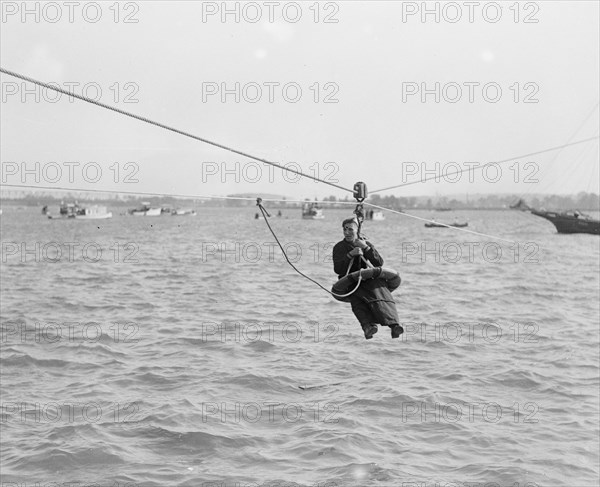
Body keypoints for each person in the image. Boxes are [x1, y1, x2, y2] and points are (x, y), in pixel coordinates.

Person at [332, 217, 403, 340]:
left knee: (380, 291)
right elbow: (338, 269)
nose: (347, 232)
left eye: (350, 229)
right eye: (344, 229)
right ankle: (368, 326)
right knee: (357, 300)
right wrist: (350, 255)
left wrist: (366, 248)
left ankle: (394, 325)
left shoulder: (366, 243)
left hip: (367, 278)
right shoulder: (339, 247)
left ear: (357, 230)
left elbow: (379, 263)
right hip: (352, 281)